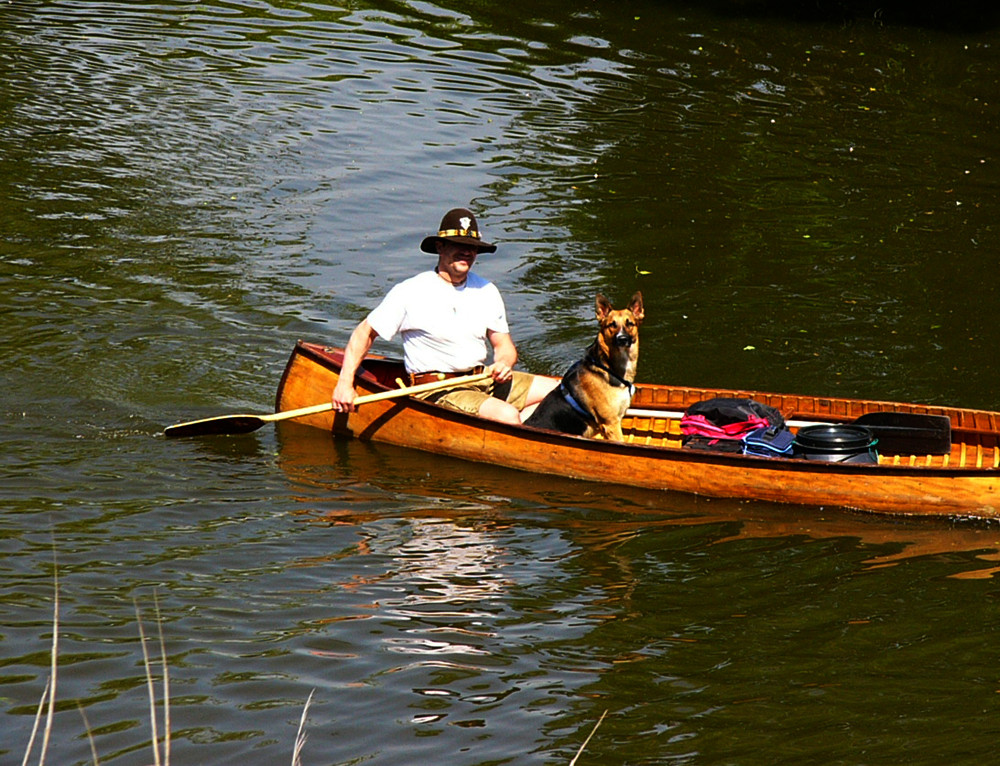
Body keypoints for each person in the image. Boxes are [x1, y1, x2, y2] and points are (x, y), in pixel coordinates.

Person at [331, 207, 557, 424]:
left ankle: (529, 429)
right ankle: (517, 427)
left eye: (473, 247)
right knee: (506, 415)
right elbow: (364, 333)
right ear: (440, 247)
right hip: (436, 391)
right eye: (459, 245)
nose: (467, 252)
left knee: (568, 390)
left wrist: (504, 363)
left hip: (483, 380)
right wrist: (345, 384)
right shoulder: (410, 291)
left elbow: (504, 347)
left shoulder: (487, 290)